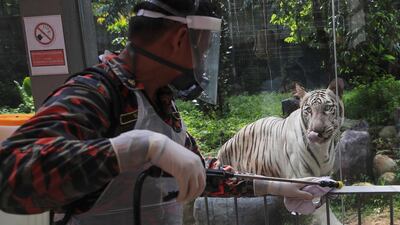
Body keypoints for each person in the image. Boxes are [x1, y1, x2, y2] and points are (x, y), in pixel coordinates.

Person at [0, 0, 319, 224]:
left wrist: (280, 186)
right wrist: (134, 148)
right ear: (181, 40)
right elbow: (10, 175)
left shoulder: (160, 100)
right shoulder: (97, 92)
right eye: (204, 48)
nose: (203, 63)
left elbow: (200, 173)